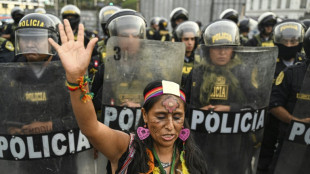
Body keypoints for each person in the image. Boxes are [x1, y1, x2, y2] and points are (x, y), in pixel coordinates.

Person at [48, 19, 208, 173]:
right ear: (144, 115)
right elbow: (91, 128)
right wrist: (76, 79)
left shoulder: (192, 158)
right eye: (160, 116)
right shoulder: (127, 149)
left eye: (177, 116)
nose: (170, 125)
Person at [1, 13, 79, 174]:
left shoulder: (69, 70)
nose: (30, 43)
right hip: (24, 155)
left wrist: (49, 126)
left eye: (37, 39)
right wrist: (10, 128)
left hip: (63, 155)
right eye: (25, 38)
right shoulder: (9, 73)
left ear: (51, 41)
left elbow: (83, 116)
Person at [257, 19, 307, 173]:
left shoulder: (304, 63)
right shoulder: (267, 62)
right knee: (265, 156)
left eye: (293, 41)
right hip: (269, 116)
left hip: (295, 116)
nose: (289, 45)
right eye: (285, 41)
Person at [174, 21, 200, 87]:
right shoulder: (173, 60)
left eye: (192, 39)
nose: (190, 43)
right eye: (186, 39)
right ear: (179, 40)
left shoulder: (200, 61)